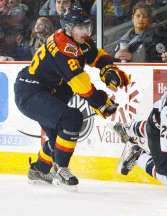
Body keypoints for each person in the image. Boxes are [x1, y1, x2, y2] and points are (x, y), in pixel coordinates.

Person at [14, 6, 130, 191]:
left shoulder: (76, 38)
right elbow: (80, 84)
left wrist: (109, 69)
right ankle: (61, 168)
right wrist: (101, 104)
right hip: (31, 91)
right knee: (71, 118)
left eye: (86, 26)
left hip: (50, 90)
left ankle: (39, 170)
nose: (85, 31)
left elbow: (96, 54)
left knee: (58, 136)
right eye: (80, 27)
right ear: (68, 27)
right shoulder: (63, 46)